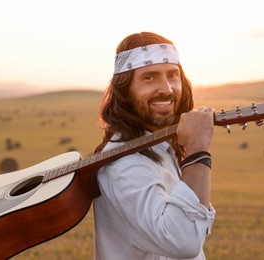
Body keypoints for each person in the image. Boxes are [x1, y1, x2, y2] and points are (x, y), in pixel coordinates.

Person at [93, 32, 215, 260]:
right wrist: (198, 150)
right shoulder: (125, 166)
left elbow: (193, 225)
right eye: (149, 77)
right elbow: (185, 241)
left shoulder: (158, 149)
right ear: (124, 90)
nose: (167, 89)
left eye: (173, 75)